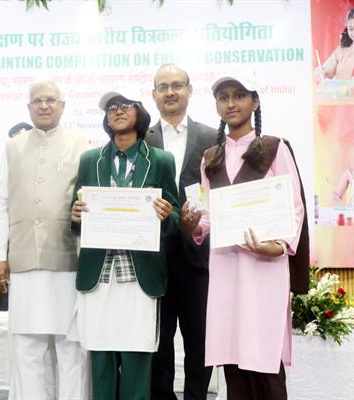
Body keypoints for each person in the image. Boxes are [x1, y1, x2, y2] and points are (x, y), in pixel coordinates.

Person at [182, 70, 306, 400]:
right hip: (226, 271)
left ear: (255, 101)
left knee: (265, 360)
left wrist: (276, 247)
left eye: (239, 96)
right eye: (223, 98)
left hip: (264, 270)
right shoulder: (211, 158)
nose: (231, 103)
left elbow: (294, 207)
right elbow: (208, 217)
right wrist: (194, 224)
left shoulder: (274, 149)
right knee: (234, 363)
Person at [69, 90, 180, 400]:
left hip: (140, 275)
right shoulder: (90, 159)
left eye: (125, 105)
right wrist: (75, 216)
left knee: (136, 355)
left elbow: (175, 214)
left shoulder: (161, 160)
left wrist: (166, 214)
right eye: (111, 108)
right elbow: (76, 211)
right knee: (101, 358)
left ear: (139, 113)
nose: (117, 111)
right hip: (99, 273)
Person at [0, 79, 90, 399]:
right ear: (28, 107)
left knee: (71, 347)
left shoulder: (81, 145)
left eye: (50, 100)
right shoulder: (13, 147)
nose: (44, 105)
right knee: (27, 347)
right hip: (23, 261)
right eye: (37, 101)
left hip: (68, 260)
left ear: (63, 106)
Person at [145, 63, 216, 400]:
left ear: (189, 90)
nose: (170, 92)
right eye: (163, 87)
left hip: (198, 255)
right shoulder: (141, 139)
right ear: (153, 95)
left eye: (177, 85)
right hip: (153, 256)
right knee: (158, 344)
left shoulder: (211, 137)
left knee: (200, 342)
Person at [314, 8, 354, 81]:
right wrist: (320, 73)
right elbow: (325, 71)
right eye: (351, 29)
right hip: (343, 89)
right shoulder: (341, 51)